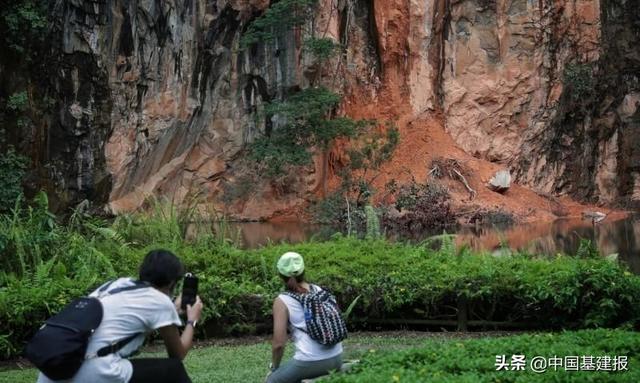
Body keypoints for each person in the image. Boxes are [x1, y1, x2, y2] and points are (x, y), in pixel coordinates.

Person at [37, 249, 203, 383]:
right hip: (92, 371)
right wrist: (191, 320)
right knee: (173, 370)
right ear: (172, 282)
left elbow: (125, 322)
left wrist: (171, 309)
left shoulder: (116, 285)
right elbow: (178, 354)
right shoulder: (160, 302)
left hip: (55, 370)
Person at [266, 252, 343, 383]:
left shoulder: (282, 301)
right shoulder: (318, 290)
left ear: (280, 275)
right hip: (337, 357)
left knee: (272, 380)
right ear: (303, 270)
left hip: (310, 361)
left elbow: (278, 344)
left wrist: (274, 368)